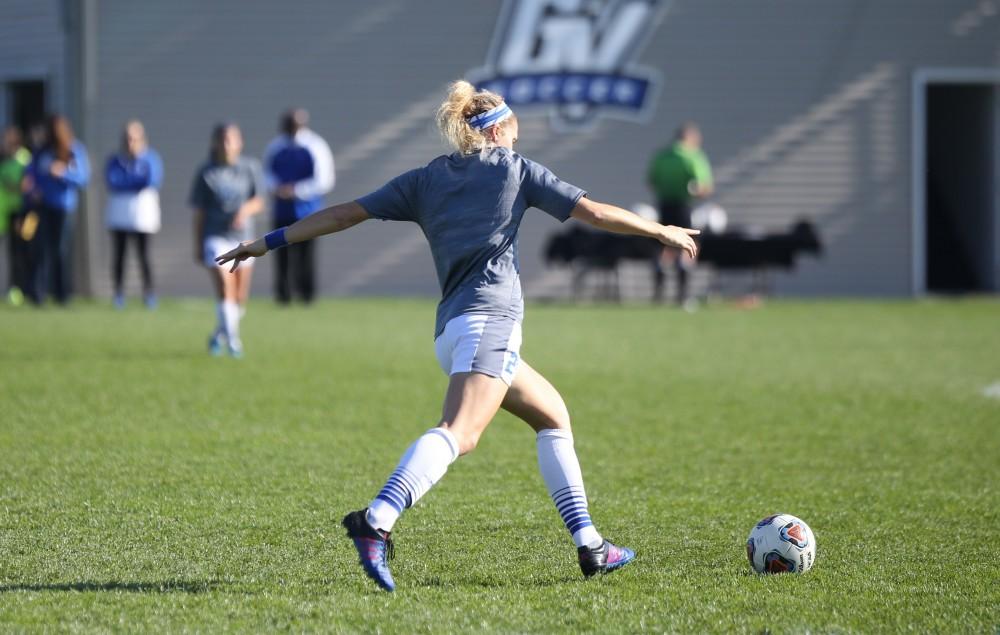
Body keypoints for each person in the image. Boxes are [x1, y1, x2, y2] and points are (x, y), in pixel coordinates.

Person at [217, 81, 699, 592]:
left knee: (554, 417)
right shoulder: (517, 170)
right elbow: (597, 213)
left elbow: (342, 214)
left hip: (453, 332)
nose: (517, 139)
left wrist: (264, 244)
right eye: (513, 130)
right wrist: (660, 230)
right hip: (488, 324)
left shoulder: (427, 179)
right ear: (499, 128)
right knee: (459, 432)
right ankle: (375, 520)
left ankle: (592, 545)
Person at [189, 123, 265, 357]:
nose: (226, 144)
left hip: (244, 241)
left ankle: (217, 335)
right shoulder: (206, 171)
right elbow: (199, 212)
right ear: (215, 142)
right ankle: (233, 343)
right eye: (222, 139)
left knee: (239, 299)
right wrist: (198, 244)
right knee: (225, 288)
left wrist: (244, 211)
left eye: (231, 139)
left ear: (239, 142)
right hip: (216, 237)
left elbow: (259, 200)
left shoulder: (250, 167)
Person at [262, 109, 335, 305]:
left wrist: (296, 191)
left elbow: (324, 179)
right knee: (281, 253)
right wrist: (277, 188)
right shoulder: (276, 146)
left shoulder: (315, 146)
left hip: (308, 211)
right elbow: (267, 175)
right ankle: (283, 295)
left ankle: (307, 295)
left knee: (306, 255)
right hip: (282, 210)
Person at [24, 115, 90, 305]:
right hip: (42, 206)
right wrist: (33, 189)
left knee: (60, 251)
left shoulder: (73, 149)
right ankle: (38, 294)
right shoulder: (42, 151)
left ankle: (62, 294)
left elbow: (83, 177)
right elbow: (32, 173)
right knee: (40, 249)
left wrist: (63, 173)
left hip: (63, 207)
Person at [647, 122, 713, 308]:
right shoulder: (693, 156)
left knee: (662, 245)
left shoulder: (662, 156)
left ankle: (658, 293)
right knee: (688, 246)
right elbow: (702, 186)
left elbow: (651, 182)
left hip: (663, 205)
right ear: (691, 139)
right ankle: (683, 296)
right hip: (684, 207)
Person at [105, 119, 164, 309]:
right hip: (120, 214)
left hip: (143, 215)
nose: (131, 143)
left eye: (135, 139)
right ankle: (119, 294)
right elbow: (113, 181)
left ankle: (149, 293)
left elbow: (151, 180)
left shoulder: (150, 158)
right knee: (119, 256)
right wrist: (133, 182)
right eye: (128, 139)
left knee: (144, 256)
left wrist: (129, 181)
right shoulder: (115, 160)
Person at [0, 126, 32, 306]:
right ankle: (11, 289)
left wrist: (11, 186)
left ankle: (24, 289)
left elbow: (27, 185)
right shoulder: (4, 161)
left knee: (23, 251)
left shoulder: (24, 159)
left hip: (22, 213)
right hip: (6, 214)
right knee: (11, 253)